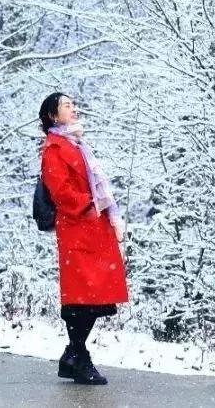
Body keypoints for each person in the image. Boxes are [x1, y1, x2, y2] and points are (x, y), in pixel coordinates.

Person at [39, 91, 128, 386]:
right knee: (82, 296)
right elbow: (59, 190)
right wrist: (88, 206)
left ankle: (73, 356)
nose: (73, 108)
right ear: (53, 115)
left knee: (96, 294)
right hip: (78, 226)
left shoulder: (76, 142)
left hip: (94, 226)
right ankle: (78, 356)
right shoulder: (54, 148)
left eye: (73, 104)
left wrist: (100, 210)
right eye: (66, 106)